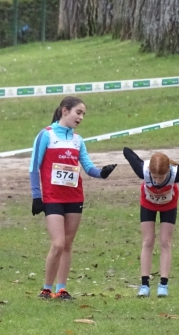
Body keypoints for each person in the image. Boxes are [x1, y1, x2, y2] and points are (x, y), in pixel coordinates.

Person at [30, 96, 117, 300]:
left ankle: (61, 289)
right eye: (79, 112)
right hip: (52, 198)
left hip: (74, 197)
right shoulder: (46, 135)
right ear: (64, 111)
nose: (81, 117)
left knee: (68, 244)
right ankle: (46, 288)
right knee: (58, 243)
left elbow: (87, 167)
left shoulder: (78, 140)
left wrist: (101, 172)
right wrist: (36, 196)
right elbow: (34, 167)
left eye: (83, 114)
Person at [122, 147, 179, 297]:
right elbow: (128, 153)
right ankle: (144, 285)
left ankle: (163, 285)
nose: (157, 181)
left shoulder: (177, 174)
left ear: (168, 172)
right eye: (154, 177)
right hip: (148, 204)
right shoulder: (143, 171)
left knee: (165, 242)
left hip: (169, 205)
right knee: (148, 241)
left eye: (161, 177)